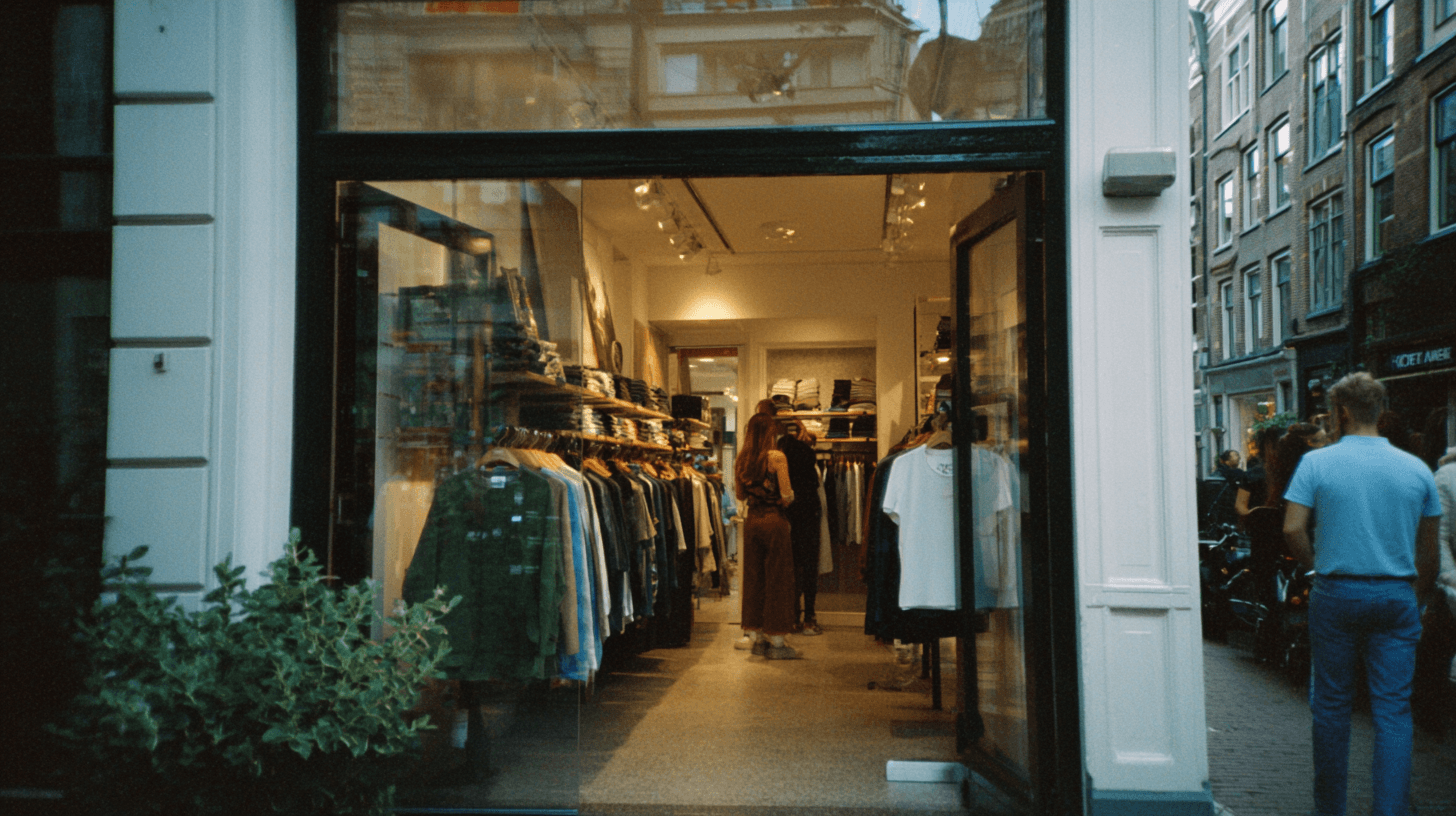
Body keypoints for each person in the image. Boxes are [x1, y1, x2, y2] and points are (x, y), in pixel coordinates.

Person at [1282, 372, 1441, 816]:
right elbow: (1429, 552)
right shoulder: (1417, 469)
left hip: (1337, 591)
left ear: (1342, 412)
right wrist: (1416, 597)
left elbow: (1293, 527)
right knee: (1393, 710)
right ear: (1380, 410)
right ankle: (1390, 810)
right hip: (1396, 594)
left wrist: (1316, 569)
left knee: (1331, 706)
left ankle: (1330, 808)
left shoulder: (1317, 464)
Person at [733, 412, 800, 659]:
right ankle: (778, 641)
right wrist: (784, 498)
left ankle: (756, 635)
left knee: (753, 578)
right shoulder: (776, 457)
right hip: (774, 521)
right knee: (778, 579)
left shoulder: (742, 459)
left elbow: (740, 496)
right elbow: (787, 495)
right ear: (770, 432)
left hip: (753, 522)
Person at [778, 418, 824, 635]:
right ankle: (810, 617)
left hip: (789, 515)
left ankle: (794, 616)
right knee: (809, 568)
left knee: (792, 567)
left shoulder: (781, 456)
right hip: (810, 514)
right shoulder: (808, 456)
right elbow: (816, 490)